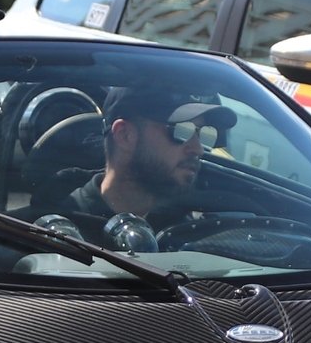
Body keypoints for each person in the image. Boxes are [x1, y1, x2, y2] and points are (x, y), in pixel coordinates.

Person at [43, 86, 235, 252]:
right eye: (181, 130)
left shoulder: (193, 234)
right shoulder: (50, 232)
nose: (198, 148)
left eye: (204, 134)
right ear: (125, 135)